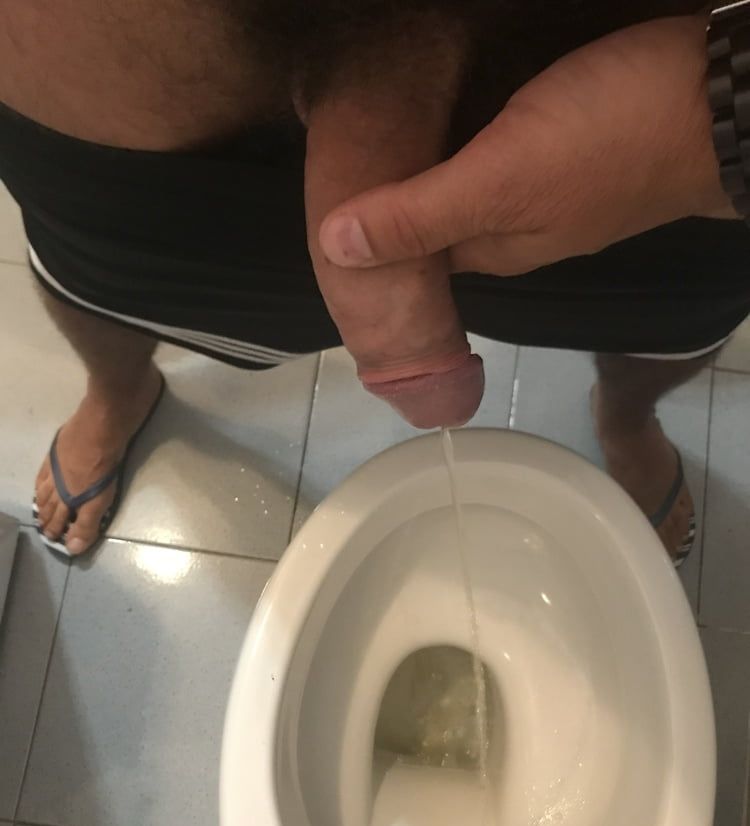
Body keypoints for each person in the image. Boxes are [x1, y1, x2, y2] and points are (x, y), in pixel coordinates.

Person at [0, 0, 742, 563]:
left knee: (667, 321)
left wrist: (724, 112)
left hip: (637, 97)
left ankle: (626, 420)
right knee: (104, 284)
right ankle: (119, 390)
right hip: (135, 106)